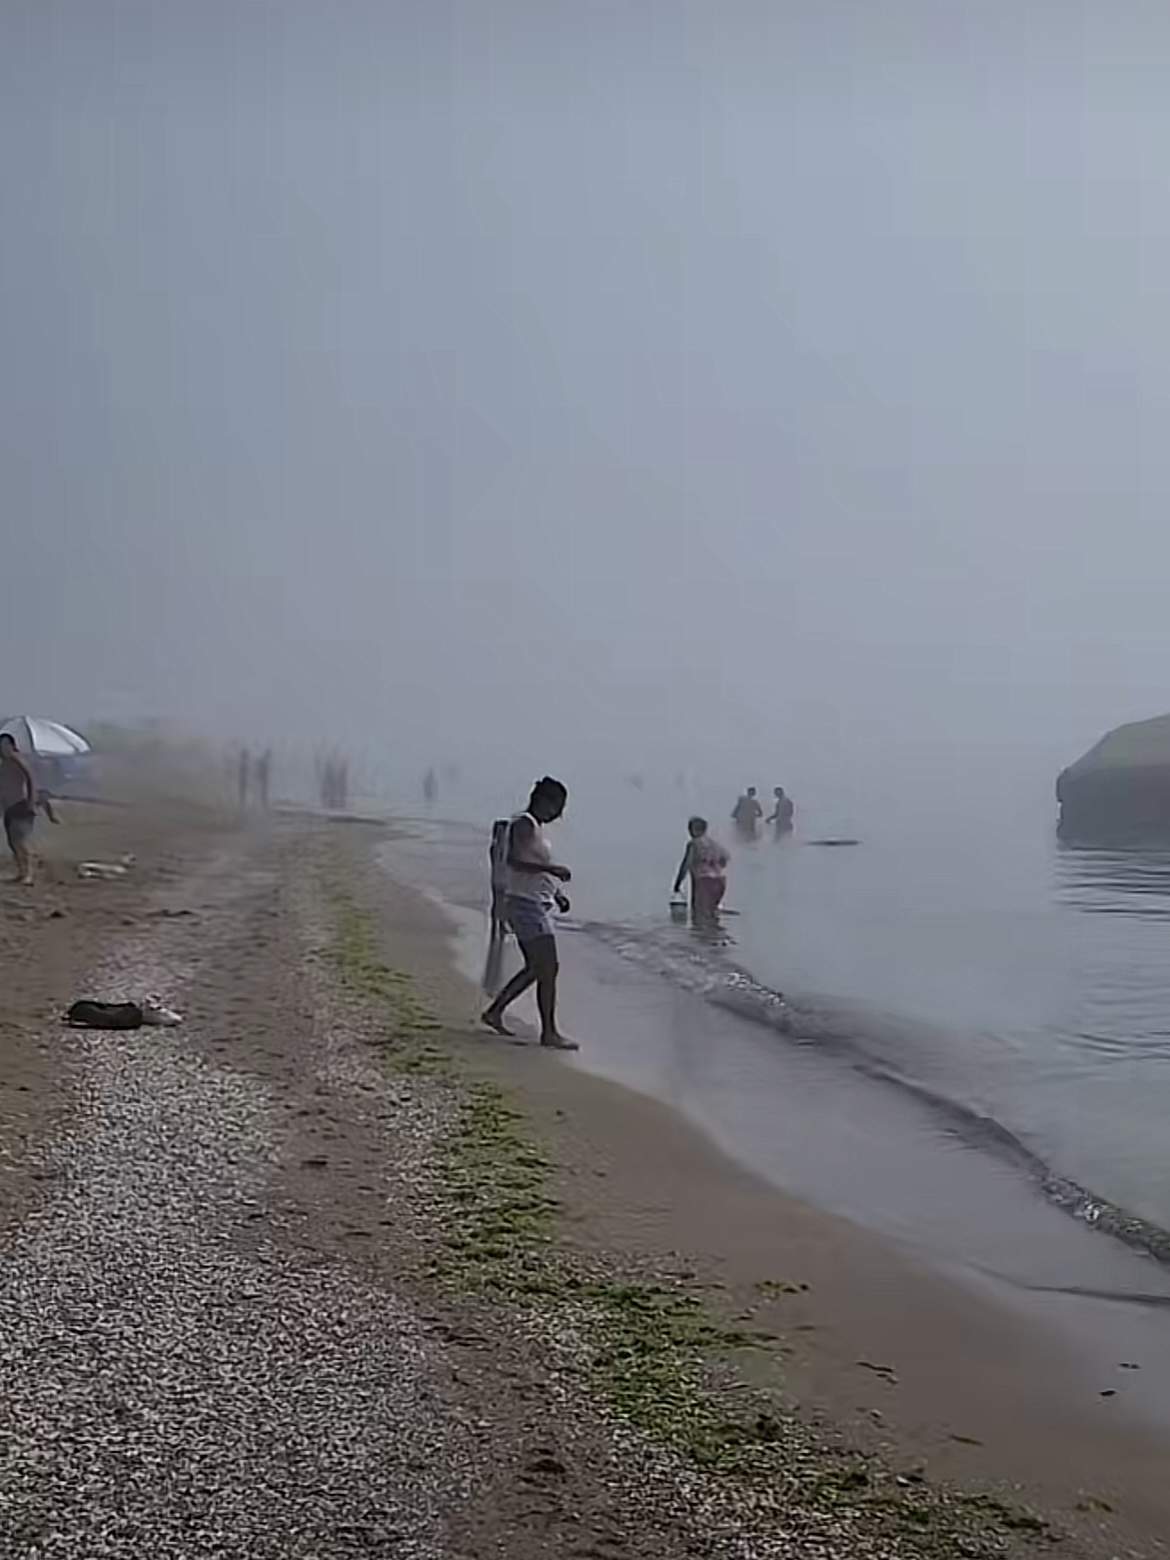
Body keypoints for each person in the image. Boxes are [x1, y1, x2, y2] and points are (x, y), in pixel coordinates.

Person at [481, 777, 577, 1049]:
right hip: (524, 905)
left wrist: (556, 894)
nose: (560, 813)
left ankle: (495, 1011)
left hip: (535, 902)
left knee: (537, 967)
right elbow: (514, 860)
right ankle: (549, 1032)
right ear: (545, 802)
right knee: (548, 967)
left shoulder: (534, 828)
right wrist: (553, 870)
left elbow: (532, 863)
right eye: (558, 806)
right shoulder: (524, 824)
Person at [673, 815, 729, 923]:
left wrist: (678, 883)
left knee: (699, 915)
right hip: (720, 882)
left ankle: (701, 938)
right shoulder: (715, 844)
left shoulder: (694, 844)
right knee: (711, 914)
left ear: (693, 830)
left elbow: (686, 863)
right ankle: (714, 937)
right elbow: (725, 859)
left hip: (703, 882)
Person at [0, 733, 38, 886]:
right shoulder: (3, 765)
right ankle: (21, 872)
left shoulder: (18, 760)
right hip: (9, 808)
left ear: (12, 745)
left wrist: (31, 801)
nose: (4, 748)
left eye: (6, 744)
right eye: (1, 745)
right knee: (12, 842)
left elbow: (31, 779)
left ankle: (29, 873)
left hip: (21, 805)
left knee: (20, 841)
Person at [488, 818, 510, 938]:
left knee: (498, 903)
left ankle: (498, 925)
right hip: (501, 877)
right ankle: (500, 925)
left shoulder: (496, 846)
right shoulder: (500, 846)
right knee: (500, 903)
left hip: (498, 877)